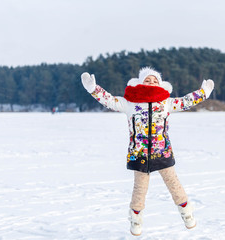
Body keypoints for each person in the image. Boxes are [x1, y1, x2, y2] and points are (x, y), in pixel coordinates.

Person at [81, 67, 214, 236]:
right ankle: (136, 220)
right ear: (139, 83)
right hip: (140, 153)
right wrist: (93, 89)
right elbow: (109, 100)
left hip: (162, 152)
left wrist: (204, 92)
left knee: (174, 185)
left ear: (161, 84)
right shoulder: (130, 103)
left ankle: (187, 214)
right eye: (147, 80)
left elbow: (186, 101)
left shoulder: (166, 102)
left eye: (155, 80)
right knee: (140, 189)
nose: (151, 82)